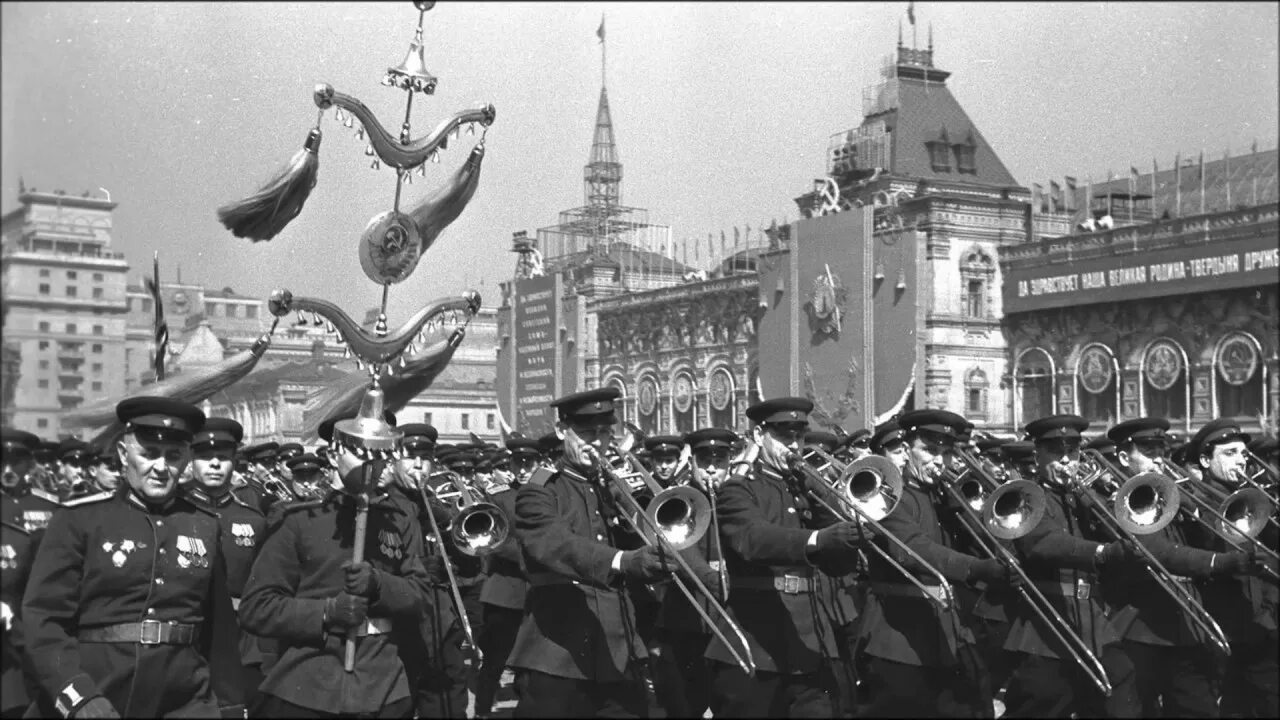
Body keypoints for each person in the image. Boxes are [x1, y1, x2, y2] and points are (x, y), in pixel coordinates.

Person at [21, 397, 242, 718]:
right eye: (149, 454)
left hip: (183, 698)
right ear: (124, 455)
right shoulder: (80, 520)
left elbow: (219, 628)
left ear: (186, 460)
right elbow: (43, 620)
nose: (161, 467)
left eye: (173, 456)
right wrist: (77, 696)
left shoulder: (204, 525)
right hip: (97, 692)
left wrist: (230, 704)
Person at [238, 398, 431, 719]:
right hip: (312, 684)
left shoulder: (397, 519)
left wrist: (379, 585)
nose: (371, 463)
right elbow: (257, 608)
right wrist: (326, 612)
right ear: (332, 454)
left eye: (380, 453)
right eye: (360, 451)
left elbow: (422, 597)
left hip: (384, 687)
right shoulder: (297, 520)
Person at [509, 388, 666, 718]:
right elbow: (554, 544)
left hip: (620, 650)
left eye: (604, 432)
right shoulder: (539, 491)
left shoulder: (612, 489)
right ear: (562, 431)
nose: (596, 442)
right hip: (558, 653)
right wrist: (622, 560)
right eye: (585, 432)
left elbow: (650, 536)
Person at [706, 397, 863, 718]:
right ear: (760, 435)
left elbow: (838, 566)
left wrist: (843, 532)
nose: (793, 445)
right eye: (783, 437)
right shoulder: (738, 489)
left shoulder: (805, 488)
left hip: (809, 641)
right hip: (756, 641)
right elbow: (753, 539)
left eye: (798, 437)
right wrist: (819, 538)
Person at [1101, 417, 1261, 717]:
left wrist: (1195, 507)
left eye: (1161, 449)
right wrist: (1220, 562)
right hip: (1139, 624)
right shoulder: (1120, 500)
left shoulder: (1176, 494)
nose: (1158, 458)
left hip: (1186, 622)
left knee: (1197, 708)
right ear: (1124, 458)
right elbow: (1158, 551)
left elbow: (1211, 539)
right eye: (1148, 451)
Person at [856, 409, 1011, 718]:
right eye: (928, 450)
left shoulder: (945, 498)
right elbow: (913, 548)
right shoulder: (887, 496)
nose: (938, 460)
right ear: (905, 449)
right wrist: (975, 569)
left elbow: (995, 541)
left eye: (946, 452)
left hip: (951, 635)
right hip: (900, 639)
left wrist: (964, 511)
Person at [1000, 414, 1140, 718]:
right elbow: (1044, 543)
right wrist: (1104, 551)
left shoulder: (1085, 497)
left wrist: (1103, 506)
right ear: (1038, 454)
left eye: (1073, 452)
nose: (1066, 460)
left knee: (1121, 689)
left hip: (1092, 621)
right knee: (1044, 701)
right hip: (1046, 621)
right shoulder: (1023, 496)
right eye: (1056, 452)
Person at [1185, 419, 1278, 719]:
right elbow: (1207, 546)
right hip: (1219, 623)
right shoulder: (1194, 499)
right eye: (1229, 453)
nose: (1240, 461)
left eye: (1243, 454)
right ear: (1205, 460)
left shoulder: (1254, 497)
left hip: (1257, 621)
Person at [183, 416, 268, 712]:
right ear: (190, 460)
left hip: (240, 642)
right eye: (205, 457)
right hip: (187, 639)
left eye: (223, 457)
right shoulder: (174, 514)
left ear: (234, 462)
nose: (215, 464)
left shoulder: (253, 520)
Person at [650, 427, 733, 720]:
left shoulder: (739, 496)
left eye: (720, 461)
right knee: (684, 706)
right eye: (704, 460)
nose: (712, 468)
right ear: (692, 462)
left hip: (729, 618)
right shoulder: (678, 498)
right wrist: (714, 580)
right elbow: (680, 549)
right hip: (686, 618)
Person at [388, 423, 469, 719]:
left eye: (426, 457)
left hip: (442, 622)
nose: (419, 465)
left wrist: (454, 536)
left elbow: (471, 566)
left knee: (448, 706)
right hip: (400, 627)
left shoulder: (433, 504)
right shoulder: (381, 505)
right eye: (410, 457)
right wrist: (421, 569)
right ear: (393, 459)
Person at [474, 435, 537, 718]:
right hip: (507, 592)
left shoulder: (552, 494)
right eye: (517, 463)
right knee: (495, 662)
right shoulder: (499, 496)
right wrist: (534, 557)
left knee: (534, 665)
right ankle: (482, 712)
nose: (523, 469)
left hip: (540, 591)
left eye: (529, 463)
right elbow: (494, 540)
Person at [1, 429, 61, 534]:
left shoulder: (48, 504)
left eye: (16, 462)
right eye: (2, 462)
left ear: (30, 465)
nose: (8, 470)